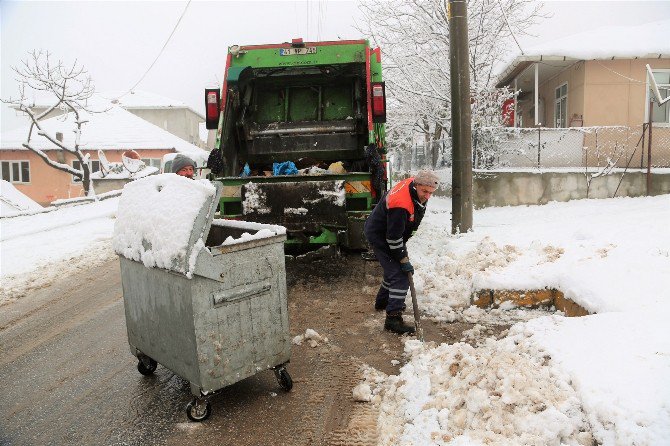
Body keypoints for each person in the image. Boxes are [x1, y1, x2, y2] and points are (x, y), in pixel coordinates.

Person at [363, 170, 439, 334]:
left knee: (393, 269)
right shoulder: (401, 204)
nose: (427, 196)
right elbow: (393, 238)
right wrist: (403, 259)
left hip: (388, 232)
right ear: (416, 185)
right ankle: (393, 319)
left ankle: (383, 301)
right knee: (401, 275)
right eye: (424, 191)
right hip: (381, 235)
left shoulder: (416, 185)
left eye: (431, 192)